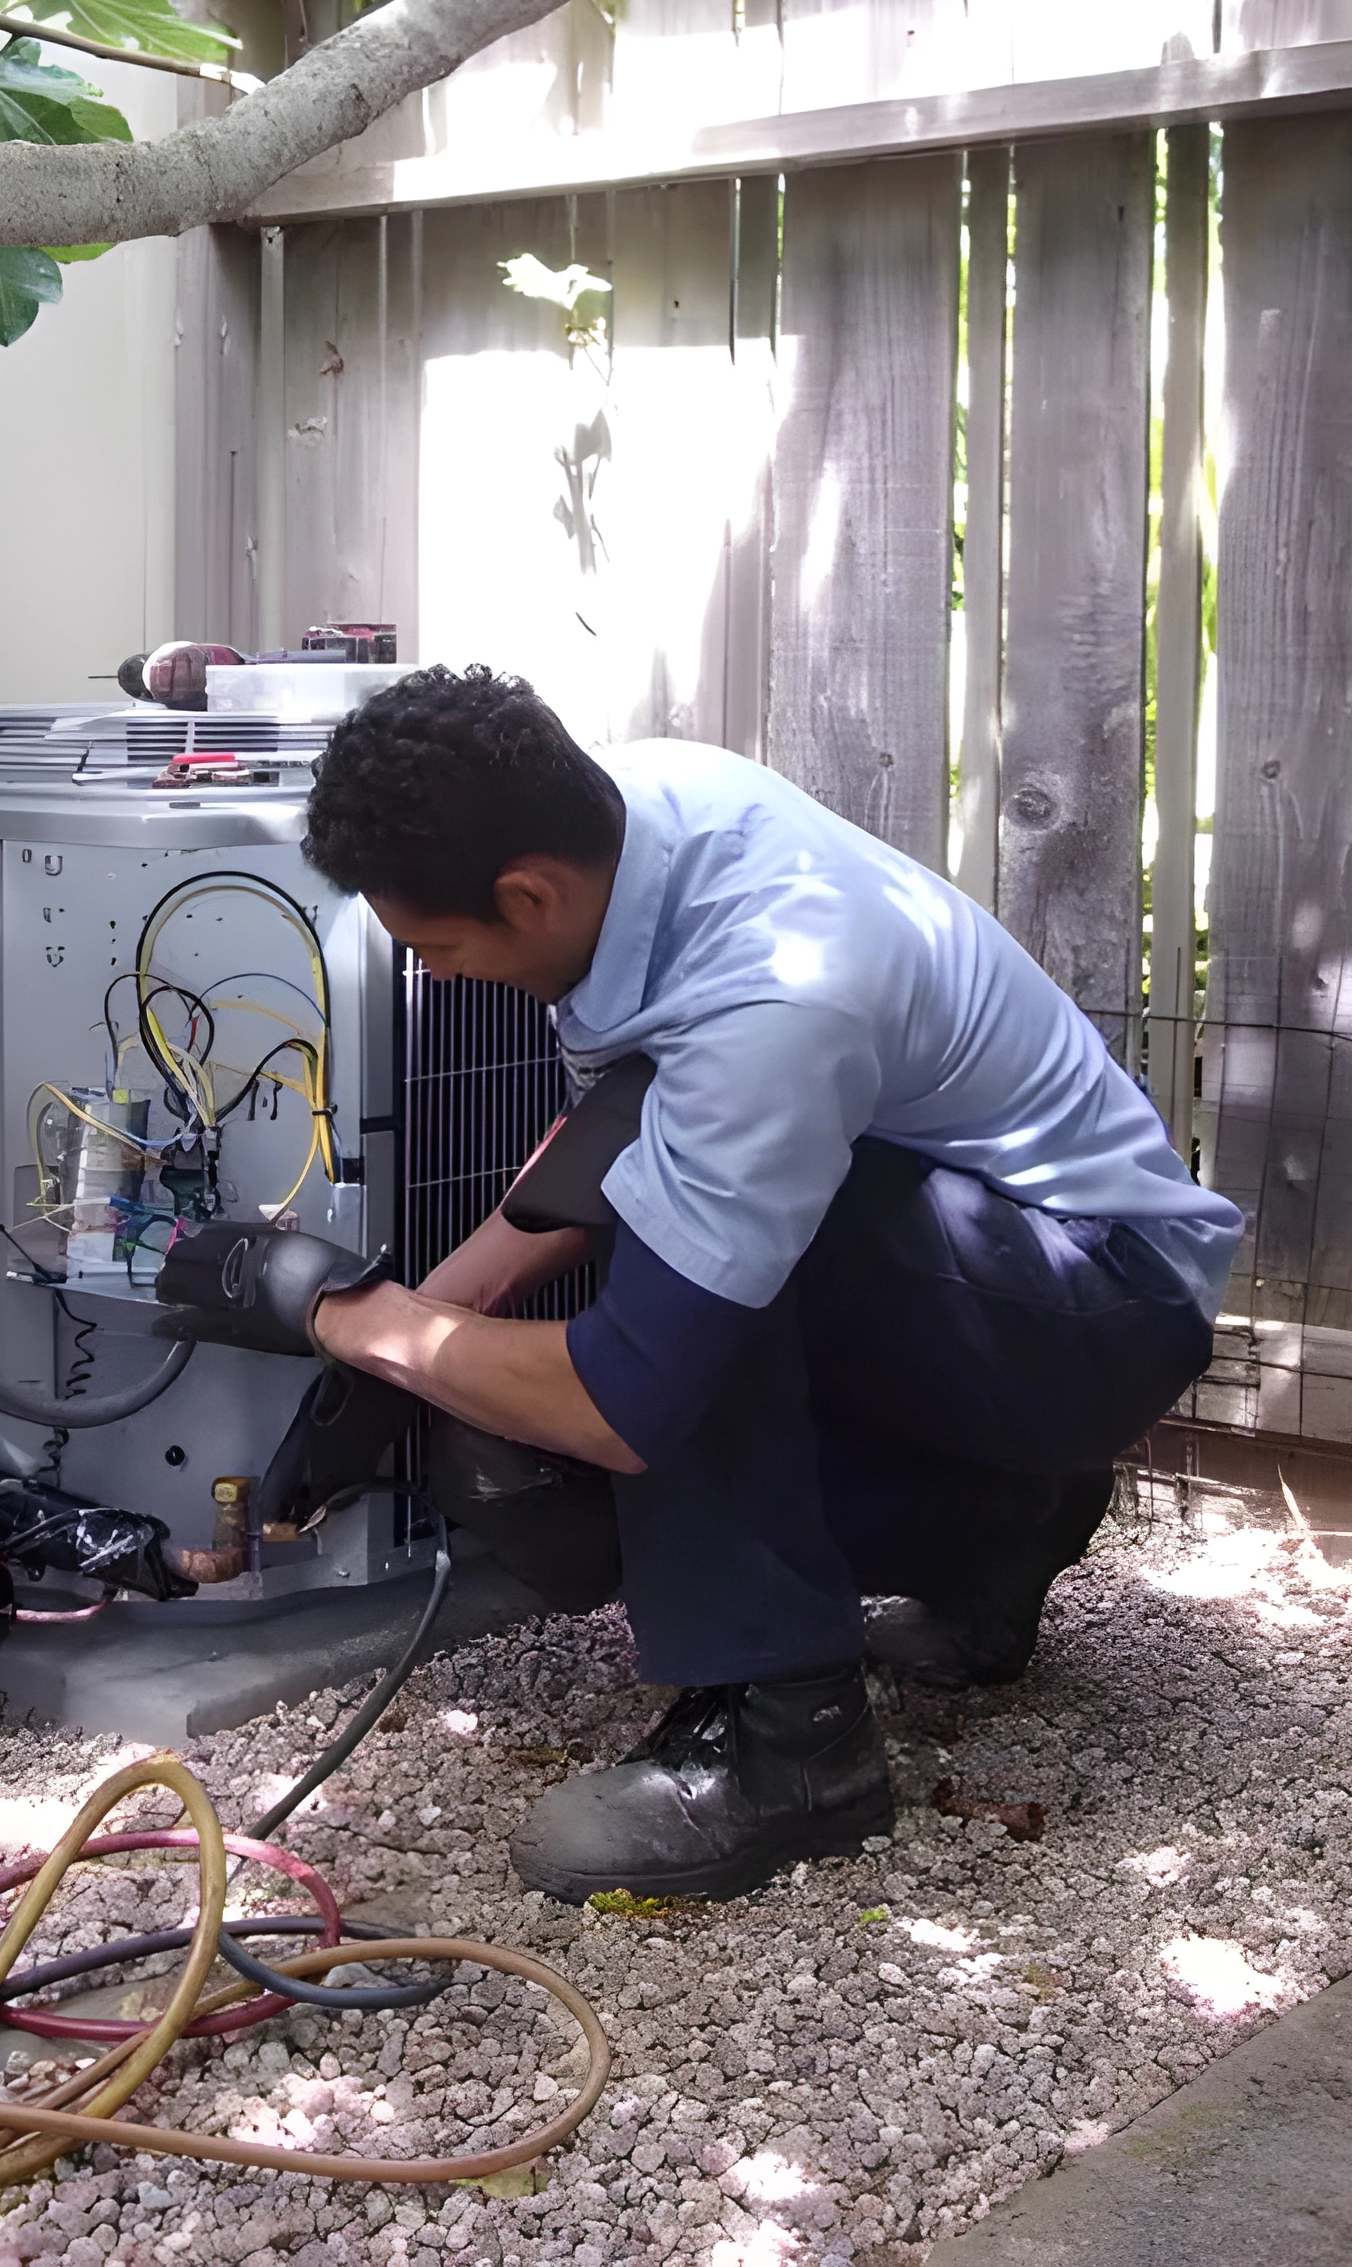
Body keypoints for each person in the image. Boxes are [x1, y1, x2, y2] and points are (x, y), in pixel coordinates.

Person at [293, 666, 1240, 1903]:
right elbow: (615, 1122)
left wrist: (340, 1311)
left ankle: (790, 1754)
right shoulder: (647, 814)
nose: (444, 974)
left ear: (528, 893)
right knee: (667, 1220)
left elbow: (622, 1402)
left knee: (657, 1317)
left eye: (438, 947)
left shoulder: (776, 992)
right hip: (1014, 1273)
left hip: (1094, 1302)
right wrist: (427, 1317)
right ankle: (1000, 1533)